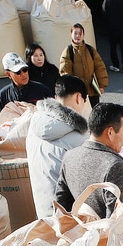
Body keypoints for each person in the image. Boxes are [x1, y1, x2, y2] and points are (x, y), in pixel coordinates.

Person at [27, 73, 91, 218]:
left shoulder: (34, 124)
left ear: (56, 97)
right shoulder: (76, 138)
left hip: (42, 208)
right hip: (66, 216)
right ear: (78, 97)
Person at [54, 102, 123, 218]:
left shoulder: (70, 156)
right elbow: (120, 221)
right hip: (103, 235)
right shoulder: (115, 165)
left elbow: (61, 206)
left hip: (79, 234)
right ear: (110, 132)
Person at [59, 23, 109, 103]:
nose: (78, 36)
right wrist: (71, 89)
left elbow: (100, 67)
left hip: (92, 89)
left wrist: (101, 85)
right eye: (75, 33)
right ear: (71, 34)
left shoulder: (90, 50)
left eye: (80, 33)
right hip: (77, 91)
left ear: (83, 35)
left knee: (95, 111)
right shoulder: (68, 51)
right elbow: (65, 72)